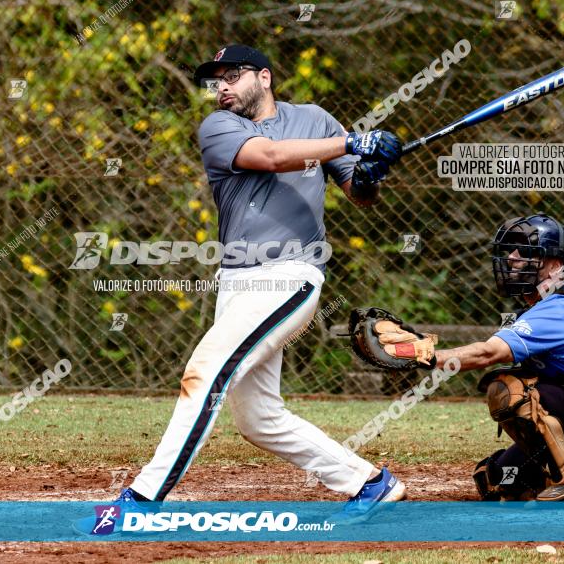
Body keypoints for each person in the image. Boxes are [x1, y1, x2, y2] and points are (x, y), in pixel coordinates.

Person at [75, 44, 405, 533]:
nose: (222, 87)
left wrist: (372, 171)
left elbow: (360, 194)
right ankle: (368, 483)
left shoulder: (314, 118)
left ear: (265, 78)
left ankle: (139, 502)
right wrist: (354, 143)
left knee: (204, 374)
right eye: (216, 80)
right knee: (258, 418)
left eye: (233, 76)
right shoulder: (218, 127)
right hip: (236, 282)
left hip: (290, 275)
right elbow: (271, 157)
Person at [429, 214, 564, 501]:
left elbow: (487, 353)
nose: (512, 258)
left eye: (527, 252)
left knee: (513, 390)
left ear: (555, 267)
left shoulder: (559, 311)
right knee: (497, 477)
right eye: (512, 250)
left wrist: (423, 354)